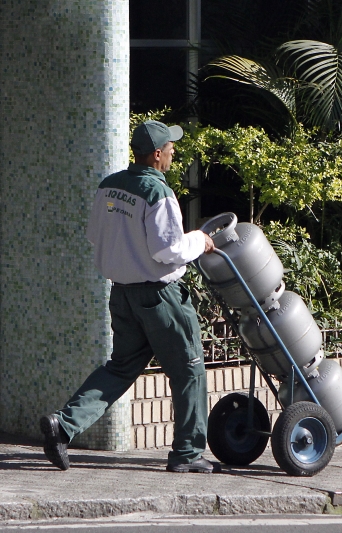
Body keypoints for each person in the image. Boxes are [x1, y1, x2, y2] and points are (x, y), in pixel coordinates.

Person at [40, 120, 218, 473]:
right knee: (189, 370)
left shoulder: (109, 185)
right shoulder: (158, 193)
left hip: (122, 295)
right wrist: (199, 239)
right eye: (170, 149)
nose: (173, 153)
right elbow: (168, 250)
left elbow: (96, 235)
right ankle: (187, 454)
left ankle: (64, 425)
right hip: (161, 297)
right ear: (156, 154)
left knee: (120, 368)